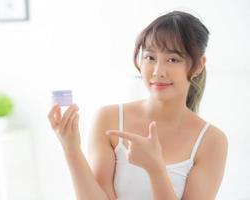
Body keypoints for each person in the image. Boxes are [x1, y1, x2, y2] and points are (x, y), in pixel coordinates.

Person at [48, 10, 228, 200]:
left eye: (173, 59)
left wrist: (156, 170)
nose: (158, 72)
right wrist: (71, 149)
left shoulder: (211, 141)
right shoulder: (108, 119)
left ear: (199, 65)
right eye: (150, 57)